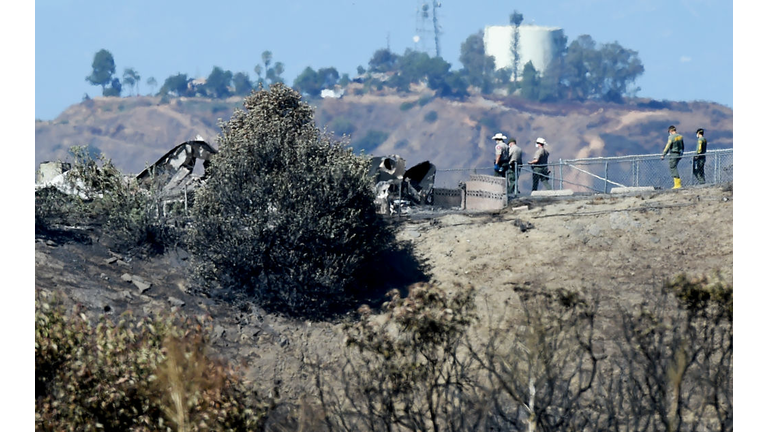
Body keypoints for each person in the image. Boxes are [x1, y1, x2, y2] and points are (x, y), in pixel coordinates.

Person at [661, 125, 685, 189]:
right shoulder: (680, 136)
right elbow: (682, 146)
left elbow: (668, 146)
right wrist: (681, 153)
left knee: (672, 167)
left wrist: (663, 154)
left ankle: (677, 184)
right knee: (674, 167)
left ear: (670, 131)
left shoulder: (671, 137)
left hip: (673, 154)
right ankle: (677, 184)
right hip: (679, 154)